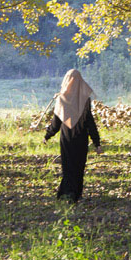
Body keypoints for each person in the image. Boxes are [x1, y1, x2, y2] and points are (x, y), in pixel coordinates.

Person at [44, 69, 101, 203]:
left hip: (67, 138)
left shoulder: (62, 99)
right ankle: (75, 194)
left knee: (68, 165)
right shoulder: (85, 99)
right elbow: (89, 122)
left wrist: (48, 135)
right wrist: (96, 142)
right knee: (78, 166)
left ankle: (67, 192)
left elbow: (56, 122)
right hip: (81, 137)